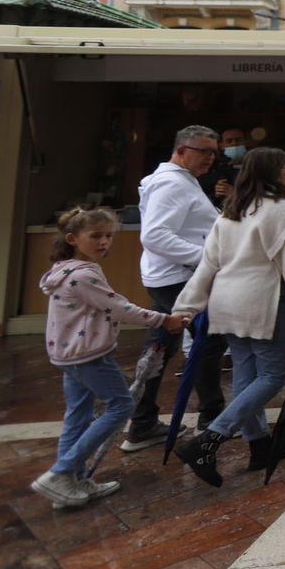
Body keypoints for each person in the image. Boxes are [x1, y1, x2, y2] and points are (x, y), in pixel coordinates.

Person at [172, 147, 285, 487]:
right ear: (274, 173)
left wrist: (186, 306)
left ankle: (259, 444)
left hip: (226, 303)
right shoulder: (282, 209)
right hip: (262, 303)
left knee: (246, 376)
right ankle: (210, 438)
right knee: (274, 374)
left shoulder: (233, 209)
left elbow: (208, 265)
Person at [33, 208, 188, 509]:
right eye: (96, 236)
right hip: (89, 356)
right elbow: (119, 307)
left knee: (77, 416)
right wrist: (163, 320)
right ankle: (61, 472)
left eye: (108, 236)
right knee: (121, 406)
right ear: (72, 239)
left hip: (68, 355)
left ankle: (69, 484)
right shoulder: (84, 274)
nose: (104, 242)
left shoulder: (62, 270)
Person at [123, 125, 227, 452]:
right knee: (207, 344)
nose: (210, 158)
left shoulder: (180, 181)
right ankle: (213, 418)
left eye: (214, 151)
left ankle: (141, 422)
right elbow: (154, 236)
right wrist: (204, 258)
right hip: (179, 279)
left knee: (162, 347)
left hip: (171, 278)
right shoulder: (171, 183)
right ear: (181, 150)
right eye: (203, 151)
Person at [198, 126, 248, 208]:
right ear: (221, 145)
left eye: (238, 140)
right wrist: (216, 194)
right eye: (229, 141)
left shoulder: (257, 166)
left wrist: (235, 194)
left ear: (246, 142)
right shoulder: (211, 169)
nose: (234, 143)